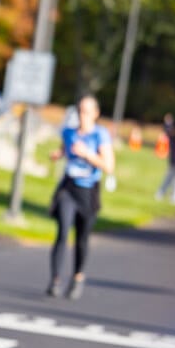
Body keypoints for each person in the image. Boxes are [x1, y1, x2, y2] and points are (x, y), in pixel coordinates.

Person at [47, 95, 114, 300]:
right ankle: (55, 280)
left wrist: (87, 154)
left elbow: (109, 166)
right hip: (68, 188)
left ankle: (77, 278)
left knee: (81, 239)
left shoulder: (100, 135)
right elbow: (65, 150)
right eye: (79, 111)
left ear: (95, 114)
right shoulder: (69, 133)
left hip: (88, 192)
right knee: (63, 231)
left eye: (86, 111)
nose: (82, 116)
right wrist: (58, 154)